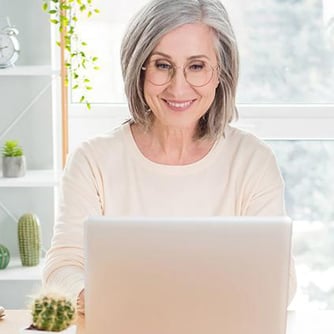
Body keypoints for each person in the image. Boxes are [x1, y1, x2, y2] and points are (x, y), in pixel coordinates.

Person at [43, 0, 297, 314]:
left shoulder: (253, 161)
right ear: (139, 68)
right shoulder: (92, 161)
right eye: (163, 65)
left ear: (221, 73)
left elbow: (279, 280)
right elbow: (64, 266)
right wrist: (90, 296)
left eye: (197, 66)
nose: (178, 87)